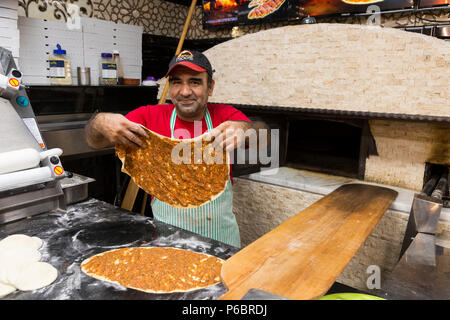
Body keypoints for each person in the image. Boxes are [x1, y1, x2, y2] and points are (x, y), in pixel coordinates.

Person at [85, 50, 270, 248]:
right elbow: (93, 141)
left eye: (195, 82)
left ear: (210, 87)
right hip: (168, 240)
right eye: (176, 82)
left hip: (221, 240)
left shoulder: (225, 116)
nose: (184, 91)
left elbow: (266, 137)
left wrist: (245, 128)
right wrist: (99, 122)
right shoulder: (149, 117)